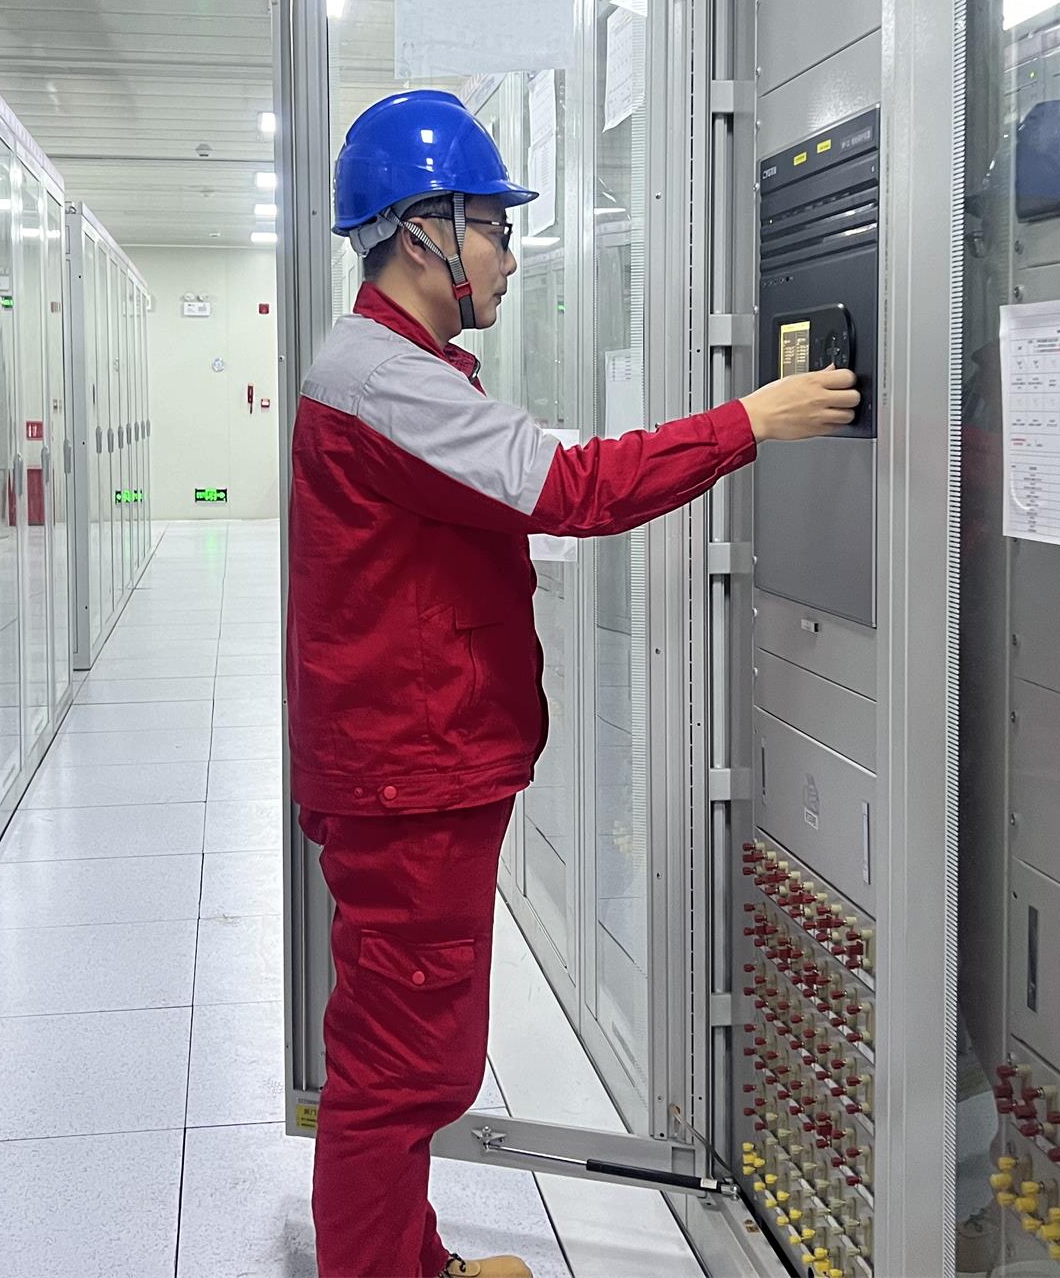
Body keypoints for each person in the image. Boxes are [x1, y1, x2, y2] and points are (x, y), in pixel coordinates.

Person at [287, 89, 860, 1278]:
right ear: (424, 234)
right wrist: (748, 420)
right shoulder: (383, 379)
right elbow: (572, 490)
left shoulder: (401, 367)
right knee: (402, 1074)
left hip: (411, 761)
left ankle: (412, 1259)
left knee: (410, 1056)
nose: (509, 255)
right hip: (408, 772)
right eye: (495, 228)